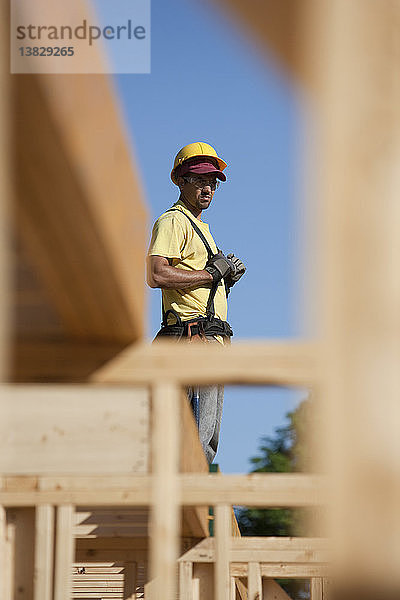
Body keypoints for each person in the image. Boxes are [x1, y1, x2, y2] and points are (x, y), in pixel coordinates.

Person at [147, 141, 246, 463]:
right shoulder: (173, 221)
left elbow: (196, 280)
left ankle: (192, 505)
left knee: (204, 443)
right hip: (192, 339)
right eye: (200, 179)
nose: (208, 188)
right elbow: (157, 274)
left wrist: (222, 280)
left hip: (208, 339)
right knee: (192, 441)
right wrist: (210, 273)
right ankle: (182, 507)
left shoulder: (199, 226)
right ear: (180, 180)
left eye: (212, 182)